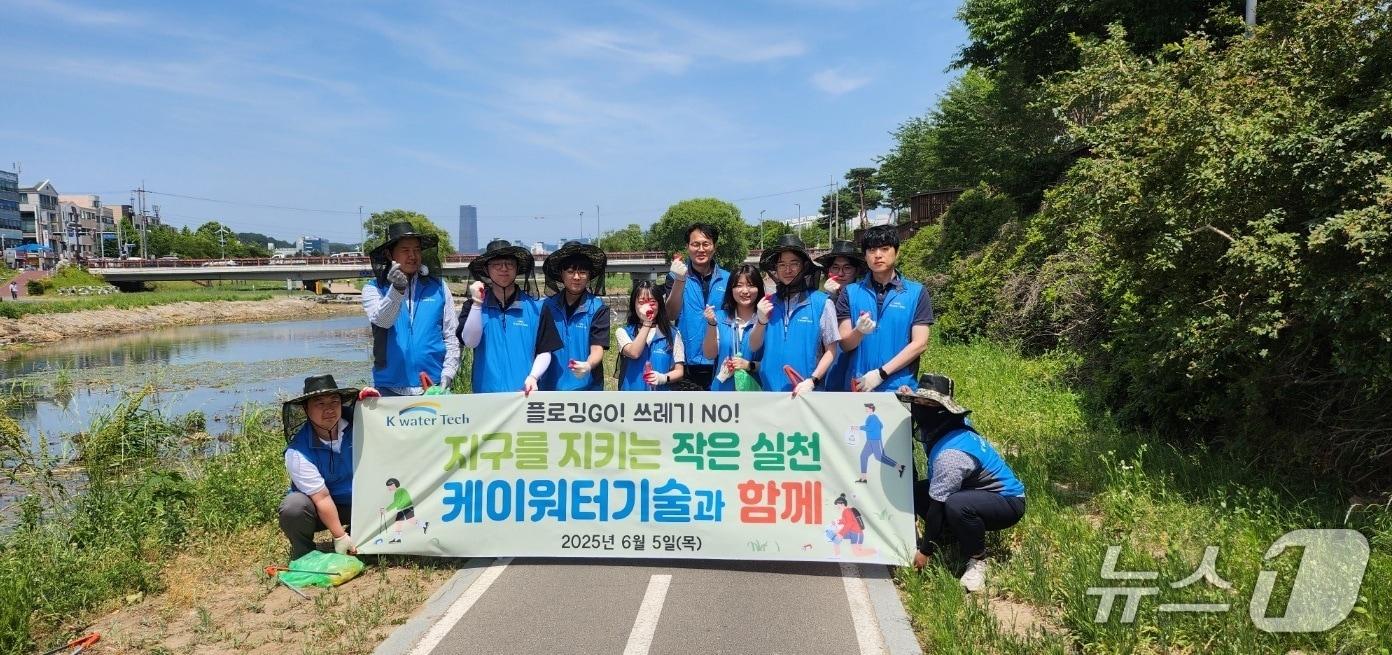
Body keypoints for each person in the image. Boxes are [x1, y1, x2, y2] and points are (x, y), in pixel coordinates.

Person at [898, 375, 1026, 593]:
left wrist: (925, 551)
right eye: (919, 403)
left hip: (1007, 502)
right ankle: (950, 538)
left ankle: (977, 560)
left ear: (942, 410)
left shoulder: (951, 455)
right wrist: (910, 397)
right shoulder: (953, 423)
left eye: (929, 405)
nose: (921, 409)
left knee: (956, 504)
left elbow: (937, 507)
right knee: (917, 492)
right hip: (974, 490)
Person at [362, 221, 459, 397]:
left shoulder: (439, 288)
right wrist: (397, 290)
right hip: (389, 388)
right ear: (389, 254)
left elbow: (451, 335)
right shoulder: (373, 289)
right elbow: (383, 321)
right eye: (405, 250)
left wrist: (448, 375)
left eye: (416, 250)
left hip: (433, 386)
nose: (413, 256)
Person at [836, 225, 933, 392]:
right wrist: (858, 331)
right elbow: (844, 344)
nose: (878, 255)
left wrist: (881, 374)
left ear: (896, 252)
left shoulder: (916, 292)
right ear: (865, 256)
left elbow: (920, 343)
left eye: (885, 249)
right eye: (872, 250)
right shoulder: (850, 293)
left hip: (899, 388)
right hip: (858, 386)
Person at [459, 239, 563, 394]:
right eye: (497, 264)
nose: (504, 269)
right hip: (484, 395)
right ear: (487, 270)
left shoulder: (537, 308)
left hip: (524, 395)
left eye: (509, 264)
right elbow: (470, 342)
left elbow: (545, 350)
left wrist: (533, 377)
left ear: (517, 269)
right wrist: (477, 304)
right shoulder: (473, 306)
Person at [278, 375, 360, 560]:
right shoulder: (298, 453)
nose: (329, 409)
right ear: (307, 409)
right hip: (320, 509)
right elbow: (322, 498)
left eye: (334, 401)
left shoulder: (359, 426)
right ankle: (305, 553)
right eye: (320, 404)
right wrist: (339, 536)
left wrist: (375, 401)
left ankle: (359, 533)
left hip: (362, 503)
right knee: (294, 507)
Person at [752, 234, 838, 396]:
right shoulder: (767, 302)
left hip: (805, 392)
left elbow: (831, 350)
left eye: (794, 264)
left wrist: (813, 380)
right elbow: (754, 345)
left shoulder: (822, 303)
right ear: (775, 269)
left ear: (804, 266)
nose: (787, 269)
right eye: (782, 264)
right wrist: (761, 321)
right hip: (769, 392)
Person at [663, 223, 729, 389]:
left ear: (715, 246)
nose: (701, 249)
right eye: (695, 244)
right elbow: (670, 314)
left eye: (706, 244)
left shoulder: (729, 279)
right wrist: (680, 280)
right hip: (685, 362)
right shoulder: (674, 276)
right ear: (687, 247)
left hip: (720, 363)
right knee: (688, 414)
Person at [539, 241, 611, 391]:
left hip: (587, 388)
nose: (577, 277)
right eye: (571, 271)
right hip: (550, 387)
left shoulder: (598, 308)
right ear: (561, 274)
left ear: (589, 276)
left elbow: (597, 349)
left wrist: (588, 365)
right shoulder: (546, 307)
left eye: (583, 272)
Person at [701, 264, 766, 391]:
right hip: (723, 395)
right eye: (739, 285)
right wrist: (711, 324)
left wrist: (749, 365)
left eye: (751, 285)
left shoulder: (767, 320)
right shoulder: (719, 317)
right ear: (731, 289)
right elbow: (709, 354)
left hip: (756, 395)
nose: (745, 291)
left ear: (759, 288)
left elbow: (773, 364)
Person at [815, 240, 866, 391]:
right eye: (835, 268)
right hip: (827, 369)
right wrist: (828, 297)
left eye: (847, 268)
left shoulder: (864, 297)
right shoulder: (820, 300)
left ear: (857, 271)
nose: (841, 273)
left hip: (858, 367)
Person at [618, 280, 686, 390]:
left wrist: (663, 378)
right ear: (633, 305)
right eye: (641, 302)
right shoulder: (623, 332)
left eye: (652, 302)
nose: (647, 307)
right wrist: (647, 323)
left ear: (659, 304)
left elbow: (679, 371)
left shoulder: (672, 334)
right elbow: (634, 353)